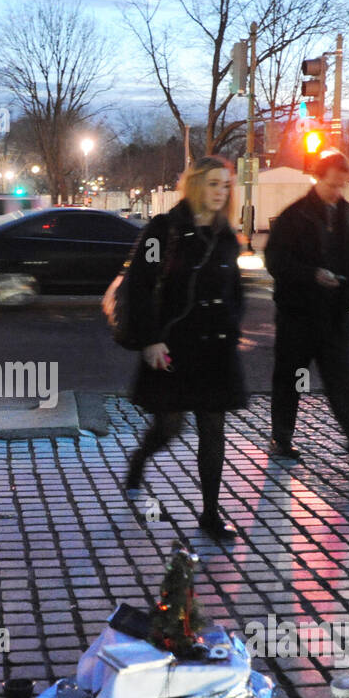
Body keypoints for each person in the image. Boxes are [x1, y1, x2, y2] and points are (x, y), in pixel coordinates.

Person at [122, 155, 248, 543]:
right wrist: (149, 339)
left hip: (216, 350)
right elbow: (139, 286)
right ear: (195, 186)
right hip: (174, 346)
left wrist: (232, 323)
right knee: (170, 426)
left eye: (225, 185)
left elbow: (235, 288)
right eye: (213, 184)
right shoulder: (165, 231)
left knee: (213, 429)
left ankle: (210, 514)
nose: (220, 192)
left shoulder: (227, 235)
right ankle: (140, 460)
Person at [263, 149, 349, 468]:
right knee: (293, 377)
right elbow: (275, 260)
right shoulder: (295, 215)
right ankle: (282, 438)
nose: (338, 192)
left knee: (341, 379)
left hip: (334, 315)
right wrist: (312, 275)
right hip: (298, 314)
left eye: (343, 186)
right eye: (333, 185)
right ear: (318, 178)